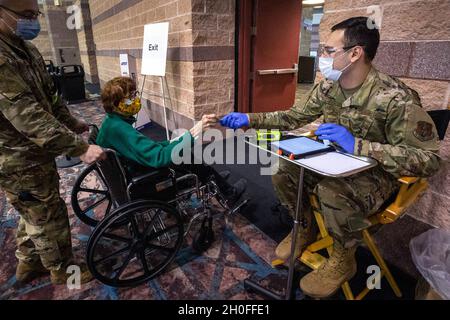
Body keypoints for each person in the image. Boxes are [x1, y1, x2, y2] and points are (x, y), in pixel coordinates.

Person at [220, 17, 441, 298]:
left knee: (331, 191)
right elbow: (293, 117)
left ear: (355, 53)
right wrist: (250, 118)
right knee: (283, 168)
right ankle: (304, 227)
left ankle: (343, 257)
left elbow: (428, 158)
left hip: (378, 175)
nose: (322, 57)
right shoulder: (328, 87)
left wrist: (358, 145)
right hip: (334, 162)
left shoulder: (394, 97)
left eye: (328, 50)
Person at [0, 0, 106, 285]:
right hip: (16, 156)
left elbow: (50, 97)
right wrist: (80, 148)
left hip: (36, 150)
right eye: (25, 16)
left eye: (35, 14)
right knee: (48, 214)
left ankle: (29, 263)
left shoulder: (26, 48)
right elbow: (27, 115)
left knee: (32, 210)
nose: (32, 21)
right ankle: (62, 270)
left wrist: (72, 123)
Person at [96, 76, 247, 203]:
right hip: (143, 178)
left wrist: (181, 138)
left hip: (132, 168)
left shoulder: (112, 123)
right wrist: (195, 131)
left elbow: (148, 147)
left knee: (187, 155)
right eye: (130, 97)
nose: (135, 99)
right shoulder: (120, 130)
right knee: (188, 157)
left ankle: (213, 179)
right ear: (115, 104)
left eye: (135, 94)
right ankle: (226, 191)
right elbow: (159, 157)